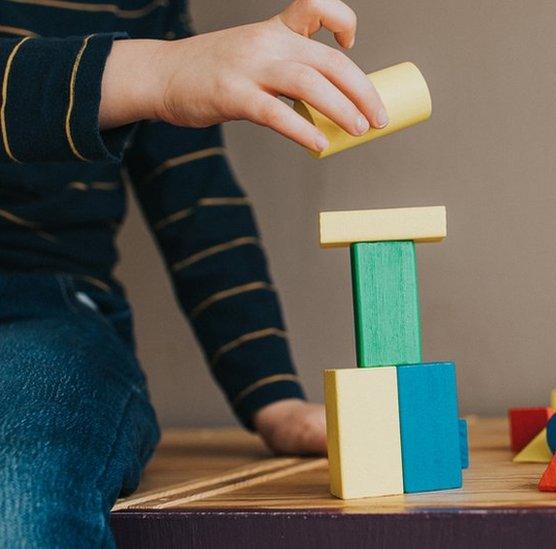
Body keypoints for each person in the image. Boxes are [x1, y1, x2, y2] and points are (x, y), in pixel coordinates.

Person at [0, 1, 384, 546]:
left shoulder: (143, 8)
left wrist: (271, 395)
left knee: (22, 498)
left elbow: (197, 206)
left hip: (42, 307)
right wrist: (155, 69)